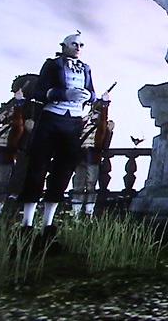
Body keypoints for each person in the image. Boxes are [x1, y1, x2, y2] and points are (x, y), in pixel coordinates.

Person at [17, 32, 103, 239]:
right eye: (74, 44)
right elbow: (39, 92)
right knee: (38, 167)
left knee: (63, 171)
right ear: (64, 46)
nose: (78, 47)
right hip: (52, 118)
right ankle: (27, 224)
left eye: (81, 45)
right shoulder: (52, 65)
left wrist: (88, 96)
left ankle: (48, 224)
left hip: (73, 122)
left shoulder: (86, 68)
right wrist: (63, 94)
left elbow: (92, 93)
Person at [0, 74, 39, 225]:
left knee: (2, 183)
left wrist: (19, 106)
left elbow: (21, 127)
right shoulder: (7, 113)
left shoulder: (31, 108)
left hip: (15, 152)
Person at [70, 96, 114, 219]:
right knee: (78, 184)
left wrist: (105, 104)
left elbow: (104, 120)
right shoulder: (84, 124)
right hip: (81, 157)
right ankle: (76, 212)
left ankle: (89, 212)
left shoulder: (101, 126)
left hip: (93, 157)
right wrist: (83, 122)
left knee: (91, 185)